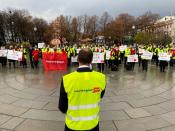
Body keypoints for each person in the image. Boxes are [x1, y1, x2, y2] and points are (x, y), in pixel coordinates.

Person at [59, 48, 106, 131]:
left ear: (77, 59)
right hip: (92, 124)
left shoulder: (66, 79)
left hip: (72, 125)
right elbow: (100, 96)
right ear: (91, 60)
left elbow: (62, 107)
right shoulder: (101, 78)